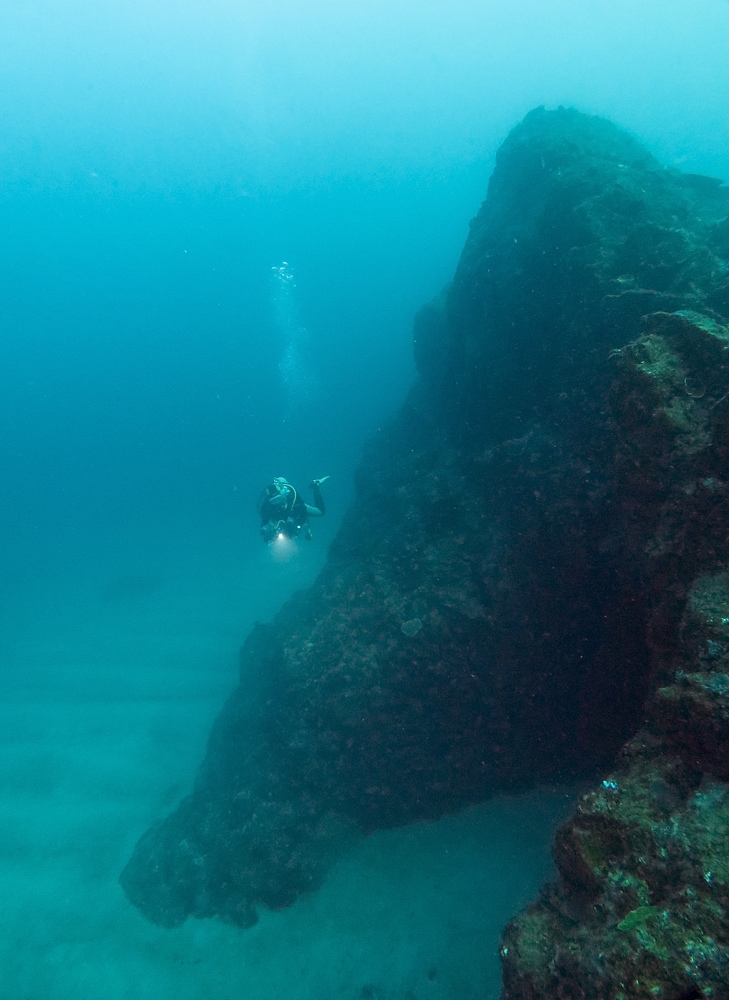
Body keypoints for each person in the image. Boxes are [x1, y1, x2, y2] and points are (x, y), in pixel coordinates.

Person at [257, 476, 328, 543]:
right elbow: (264, 523)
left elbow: (303, 514)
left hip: (293, 509)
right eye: (273, 501)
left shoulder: (293, 499)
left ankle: (315, 485)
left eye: (278, 499)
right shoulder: (267, 506)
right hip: (279, 517)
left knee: (320, 512)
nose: (276, 503)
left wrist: (298, 524)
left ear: (284, 494)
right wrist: (267, 534)